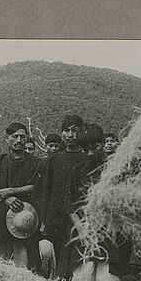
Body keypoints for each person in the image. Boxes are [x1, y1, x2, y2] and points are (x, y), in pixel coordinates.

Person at [61, 124, 136, 281]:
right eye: (85, 149)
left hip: (111, 236)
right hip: (84, 237)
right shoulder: (77, 171)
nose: (89, 154)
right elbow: (69, 204)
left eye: (93, 148)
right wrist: (80, 228)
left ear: (102, 144)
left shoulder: (117, 171)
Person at [0, 123, 41, 269]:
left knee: (22, 261)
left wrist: (12, 191)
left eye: (22, 136)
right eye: (15, 136)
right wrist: (7, 199)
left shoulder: (35, 163)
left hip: (24, 216)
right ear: (7, 139)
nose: (19, 140)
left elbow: (36, 185)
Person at [34, 114, 86, 272]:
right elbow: (42, 191)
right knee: (52, 265)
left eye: (74, 130)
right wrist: (43, 220)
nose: (70, 135)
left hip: (77, 221)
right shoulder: (52, 160)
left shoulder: (86, 158)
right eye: (66, 130)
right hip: (54, 220)